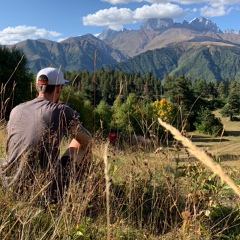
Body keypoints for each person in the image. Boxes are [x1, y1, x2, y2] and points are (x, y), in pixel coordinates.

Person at [0, 67, 92, 203]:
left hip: (11, 186)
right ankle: (79, 192)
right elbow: (88, 140)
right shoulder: (61, 111)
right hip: (46, 190)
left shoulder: (16, 109)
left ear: (38, 87)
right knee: (80, 143)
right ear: (59, 89)